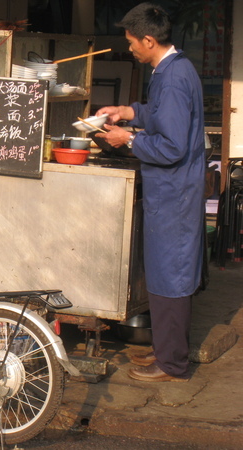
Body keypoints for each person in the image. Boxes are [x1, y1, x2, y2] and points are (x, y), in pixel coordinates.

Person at [95, 3, 205, 382]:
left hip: (174, 193)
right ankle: (165, 351)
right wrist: (128, 112)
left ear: (149, 39)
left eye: (131, 42)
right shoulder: (172, 69)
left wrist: (127, 140)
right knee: (163, 273)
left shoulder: (173, 78)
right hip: (173, 190)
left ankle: (173, 363)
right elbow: (160, 113)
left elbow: (172, 146)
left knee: (170, 275)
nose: (130, 49)